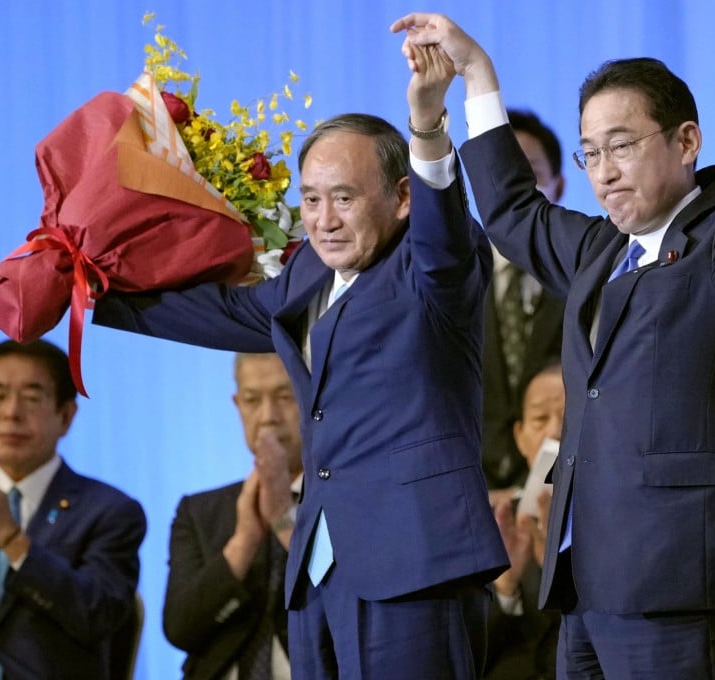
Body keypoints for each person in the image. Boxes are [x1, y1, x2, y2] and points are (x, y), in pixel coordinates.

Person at [392, 13, 715, 678]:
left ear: (686, 141)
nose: (604, 172)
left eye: (620, 146)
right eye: (590, 153)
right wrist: (477, 74)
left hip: (675, 583)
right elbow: (510, 211)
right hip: (583, 581)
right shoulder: (599, 251)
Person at [92, 89, 508, 678]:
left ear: (402, 197)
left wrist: (427, 127)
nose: (324, 219)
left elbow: (444, 231)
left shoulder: (434, 270)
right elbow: (230, 313)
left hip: (417, 564)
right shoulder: (311, 269)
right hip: (318, 569)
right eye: (311, 199)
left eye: (344, 198)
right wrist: (90, 285)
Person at [0, 339, 147, 680]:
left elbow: (98, 614)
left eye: (31, 398)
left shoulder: (110, 511)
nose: (11, 412)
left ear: (65, 414)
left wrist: (15, 542)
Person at [162, 352, 303, 680]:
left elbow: (350, 613)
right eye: (252, 400)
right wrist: (244, 541)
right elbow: (180, 629)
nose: (268, 417)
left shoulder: (347, 502)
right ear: (238, 405)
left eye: (285, 397)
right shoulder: (198, 512)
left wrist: (283, 519)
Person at [483, 109, 565, 493]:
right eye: (502, 171)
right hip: (474, 501)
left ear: (558, 186)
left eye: (529, 171)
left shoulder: (589, 276)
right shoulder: (451, 281)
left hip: (565, 497)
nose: (514, 185)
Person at [486, 362, 564, 680]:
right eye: (540, 419)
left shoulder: (616, 521)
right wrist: (505, 587)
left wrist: (560, 574)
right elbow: (469, 653)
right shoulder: (497, 524)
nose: (555, 431)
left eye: (569, 417)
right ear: (519, 436)